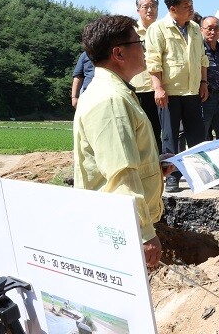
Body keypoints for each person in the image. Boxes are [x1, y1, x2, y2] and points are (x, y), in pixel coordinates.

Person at [73, 15, 172, 267]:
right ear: (118, 53)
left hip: (119, 223)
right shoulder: (110, 99)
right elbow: (120, 173)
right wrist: (145, 233)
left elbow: (122, 157)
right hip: (119, 228)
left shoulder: (115, 92)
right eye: (139, 42)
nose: (145, 48)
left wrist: (154, 166)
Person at [145, 0, 209, 193]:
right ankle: (172, 176)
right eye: (186, 6)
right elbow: (153, 61)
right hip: (169, 92)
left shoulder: (195, 29)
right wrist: (158, 88)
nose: (190, 9)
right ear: (173, 9)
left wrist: (203, 83)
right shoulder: (158, 28)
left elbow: (202, 58)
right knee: (170, 137)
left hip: (192, 90)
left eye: (191, 5)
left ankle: (200, 175)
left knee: (197, 136)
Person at [130, 0, 162, 152]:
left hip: (163, 89)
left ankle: (157, 168)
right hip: (140, 88)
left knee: (158, 131)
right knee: (139, 130)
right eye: (146, 6)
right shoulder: (131, 32)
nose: (150, 10)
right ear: (138, 10)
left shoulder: (163, 29)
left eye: (153, 6)